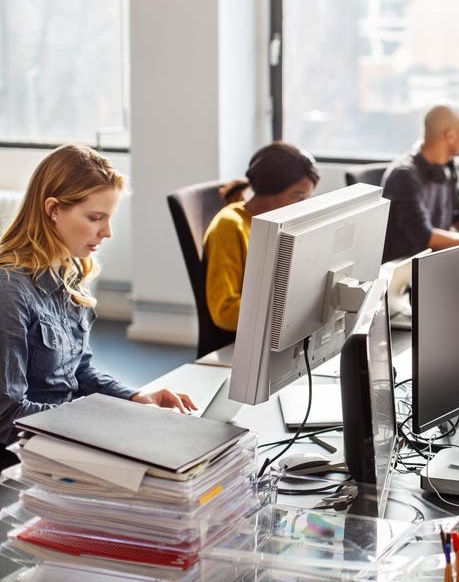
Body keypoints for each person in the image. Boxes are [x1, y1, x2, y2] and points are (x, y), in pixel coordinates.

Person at [0, 145, 197, 464]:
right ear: (52, 209)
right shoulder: (9, 291)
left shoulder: (68, 272)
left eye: (109, 218)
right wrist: (102, 422)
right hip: (24, 459)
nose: (107, 232)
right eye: (95, 218)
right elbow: (7, 415)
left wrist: (134, 397)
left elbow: (79, 371)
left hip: (65, 439)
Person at [203, 141, 319, 332]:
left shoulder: (280, 224)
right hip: (250, 336)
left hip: (277, 327)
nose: (303, 205)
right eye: (298, 197)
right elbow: (224, 311)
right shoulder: (230, 226)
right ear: (270, 189)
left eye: (307, 198)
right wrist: (289, 312)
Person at [380, 102, 459, 262]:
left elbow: (458, 216)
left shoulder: (448, 166)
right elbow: (424, 237)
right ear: (450, 136)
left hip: (434, 261)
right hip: (406, 271)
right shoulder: (404, 175)